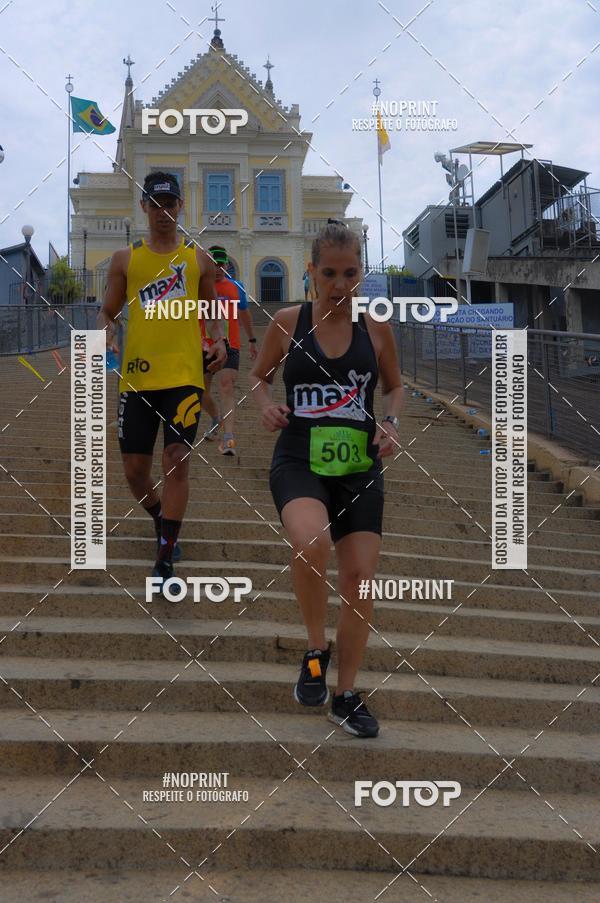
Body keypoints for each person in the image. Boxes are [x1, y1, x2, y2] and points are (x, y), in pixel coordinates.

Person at [250, 221, 404, 738]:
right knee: (311, 541)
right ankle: (316, 649)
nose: (341, 285)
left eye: (351, 273)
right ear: (311, 271)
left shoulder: (376, 329)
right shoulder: (289, 322)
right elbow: (257, 377)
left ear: (361, 274)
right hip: (299, 460)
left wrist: (391, 422)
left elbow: (396, 388)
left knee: (360, 581)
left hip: (360, 466)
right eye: (331, 273)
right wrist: (267, 405)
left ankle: (345, 694)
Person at [98, 171, 227, 589]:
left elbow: (212, 311)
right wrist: (108, 329)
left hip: (184, 376)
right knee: (135, 471)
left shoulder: (198, 259)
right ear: (144, 208)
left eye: (170, 204)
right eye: (155, 205)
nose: (163, 213)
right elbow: (108, 310)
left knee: (175, 459)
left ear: (180, 206)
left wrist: (220, 341)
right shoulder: (126, 260)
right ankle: (160, 519)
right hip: (136, 379)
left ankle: (166, 556)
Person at [200, 245, 257, 455]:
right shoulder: (198, 287)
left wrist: (252, 339)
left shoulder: (236, 287)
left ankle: (228, 437)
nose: (217, 269)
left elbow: (244, 314)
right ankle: (216, 418)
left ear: (226, 265)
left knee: (226, 386)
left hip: (231, 345)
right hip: (203, 345)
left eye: (221, 264)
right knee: (200, 392)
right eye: (213, 264)